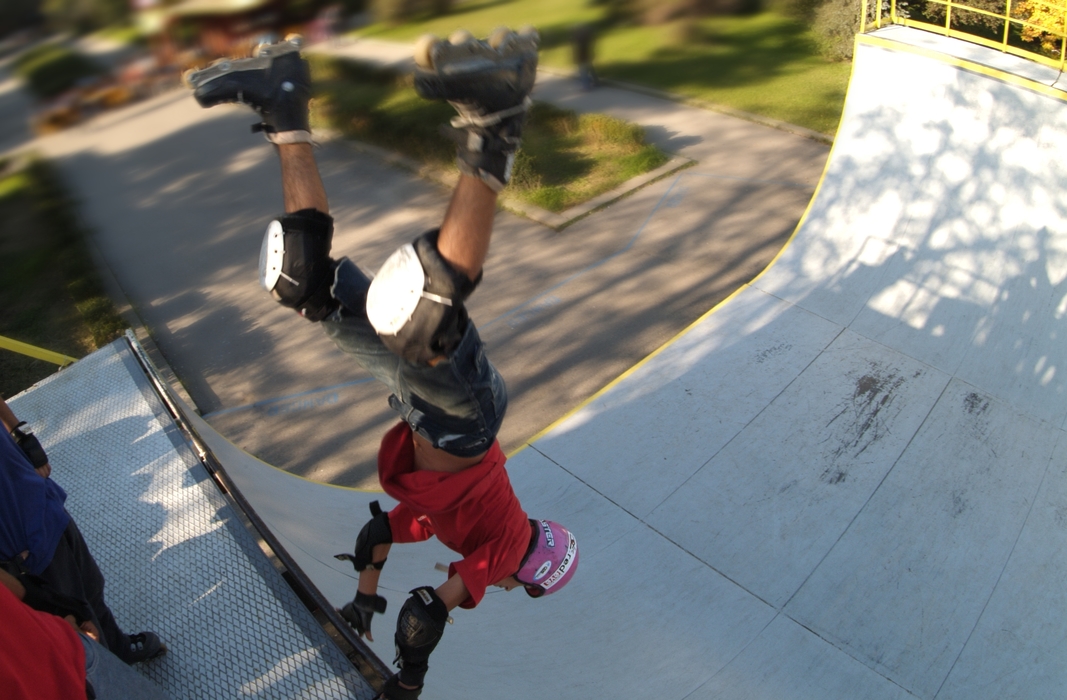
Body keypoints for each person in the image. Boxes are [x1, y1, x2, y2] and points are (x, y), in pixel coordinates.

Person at [187, 28, 578, 700]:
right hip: (461, 422)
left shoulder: (459, 530)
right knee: (420, 319)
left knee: (305, 283)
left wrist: (364, 597)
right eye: (521, 587)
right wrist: (411, 677)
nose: (507, 587)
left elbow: (379, 530)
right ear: (530, 569)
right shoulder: (502, 552)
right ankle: (498, 120)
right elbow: (431, 607)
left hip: (421, 408)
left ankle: (284, 100)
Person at [0, 397, 166, 664]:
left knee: (91, 587)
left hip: (42, 505)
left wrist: (20, 433)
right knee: (76, 623)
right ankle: (112, 678)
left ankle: (119, 647)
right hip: (19, 546)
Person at [0, 567, 172, 700]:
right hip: (60, 671)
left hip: (72, 652)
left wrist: (51, 605)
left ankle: (120, 647)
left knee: (91, 589)